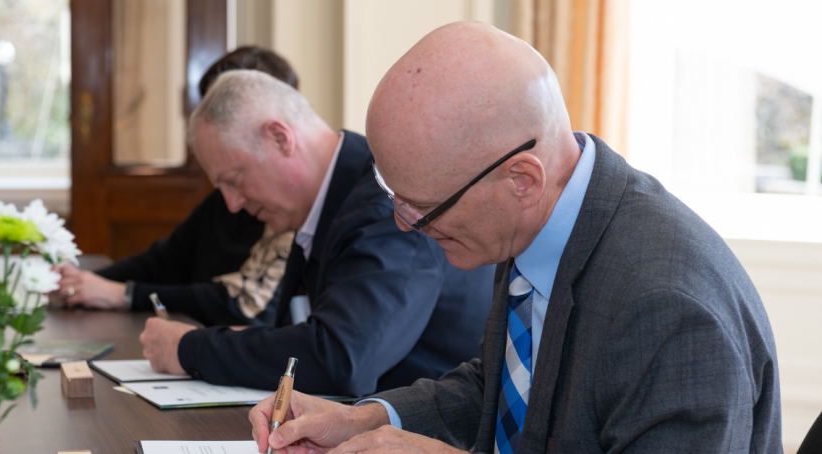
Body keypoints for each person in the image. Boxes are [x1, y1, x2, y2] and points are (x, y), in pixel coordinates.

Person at [249, 21, 782, 453]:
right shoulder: (540, 217)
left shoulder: (668, 311)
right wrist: (364, 418)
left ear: (521, 179)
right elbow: (507, 389)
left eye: (425, 208)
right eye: (395, 195)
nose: (403, 224)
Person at [138, 69, 495, 397]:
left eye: (233, 181)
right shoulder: (331, 200)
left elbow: (342, 359)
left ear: (279, 138)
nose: (232, 204)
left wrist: (191, 348)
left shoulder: (385, 200)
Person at [53, 46, 299, 327]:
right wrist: (88, 282)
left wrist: (122, 294)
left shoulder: (291, 208)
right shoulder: (223, 200)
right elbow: (164, 261)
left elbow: (241, 303)